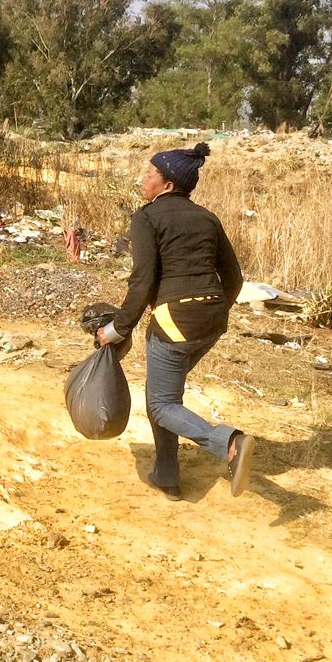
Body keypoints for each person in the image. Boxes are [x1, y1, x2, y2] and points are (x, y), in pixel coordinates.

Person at [95, 143, 254, 501]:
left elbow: (143, 281)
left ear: (167, 185)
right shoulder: (207, 217)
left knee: (161, 405)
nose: (142, 179)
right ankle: (167, 475)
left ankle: (229, 443)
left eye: (149, 174)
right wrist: (213, 311)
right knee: (164, 395)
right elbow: (234, 279)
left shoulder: (147, 217)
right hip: (212, 319)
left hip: (175, 320)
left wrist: (118, 328)